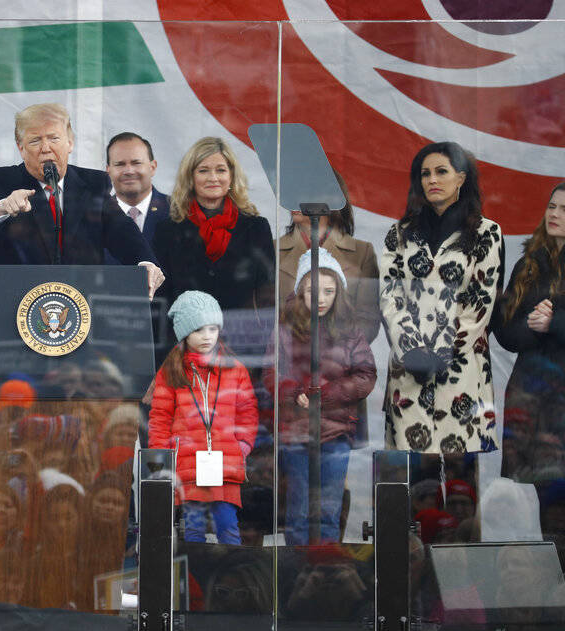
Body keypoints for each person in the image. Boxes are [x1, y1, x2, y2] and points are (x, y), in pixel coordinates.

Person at [0, 103, 163, 298]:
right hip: (12, 305)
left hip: (78, 309)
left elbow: (121, 231)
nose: (46, 148)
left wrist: (144, 262)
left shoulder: (94, 183)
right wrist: (1, 208)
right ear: (21, 148)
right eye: (35, 140)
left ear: (70, 143)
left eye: (54, 138)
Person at [380, 141, 503, 460]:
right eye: (425, 174)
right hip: (408, 376)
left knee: (462, 492)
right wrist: (413, 350)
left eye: (441, 172)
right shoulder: (400, 233)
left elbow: (479, 304)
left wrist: (438, 355)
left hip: (460, 376)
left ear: (461, 178)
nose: (432, 179)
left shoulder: (486, 233)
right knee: (413, 486)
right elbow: (389, 294)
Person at [265, 248, 376, 545]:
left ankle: (326, 575)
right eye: (314, 291)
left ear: (339, 291)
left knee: (329, 513)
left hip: (336, 434)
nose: (322, 298)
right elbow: (271, 373)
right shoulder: (285, 327)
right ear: (301, 290)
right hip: (296, 435)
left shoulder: (350, 329)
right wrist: (295, 393)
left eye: (330, 291)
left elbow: (366, 375)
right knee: (299, 514)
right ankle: (297, 576)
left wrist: (324, 395)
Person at [148, 290, 258, 544]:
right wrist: (161, 457)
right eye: (198, 330)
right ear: (185, 334)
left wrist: (242, 444)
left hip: (225, 463)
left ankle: (233, 578)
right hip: (187, 465)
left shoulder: (234, 368)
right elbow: (160, 417)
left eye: (212, 328)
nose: (207, 336)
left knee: (228, 526)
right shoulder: (171, 371)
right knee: (194, 530)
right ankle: (196, 581)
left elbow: (247, 411)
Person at [153, 136, 274, 327]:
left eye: (221, 170)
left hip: (242, 341)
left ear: (231, 176)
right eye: (203, 170)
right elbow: (161, 298)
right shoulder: (167, 230)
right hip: (184, 340)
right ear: (190, 178)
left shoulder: (256, 228)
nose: (213, 178)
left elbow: (267, 295)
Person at [493, 181, 565, 484]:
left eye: (564, 209)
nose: (555, 214)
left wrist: (554, 323)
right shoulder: (529, 262)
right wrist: (533, 326)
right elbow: (504, 329)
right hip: (530, 394)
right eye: (552, 206)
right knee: (540, 497)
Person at [276, 172, 381, 343]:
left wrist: (335, 354)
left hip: (341, 364)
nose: (291, 198)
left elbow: (368, 321)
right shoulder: (273, 250)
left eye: (302, 192)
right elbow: (262, 317)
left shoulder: (363, 253)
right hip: (288, 362)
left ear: (328, 197)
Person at [105, 132, 169, 256]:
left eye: (136, 163)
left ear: (153, 167)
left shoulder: (179, 212)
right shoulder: (93, 218)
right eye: (120, 164)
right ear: (108, 171)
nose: (129, 171)